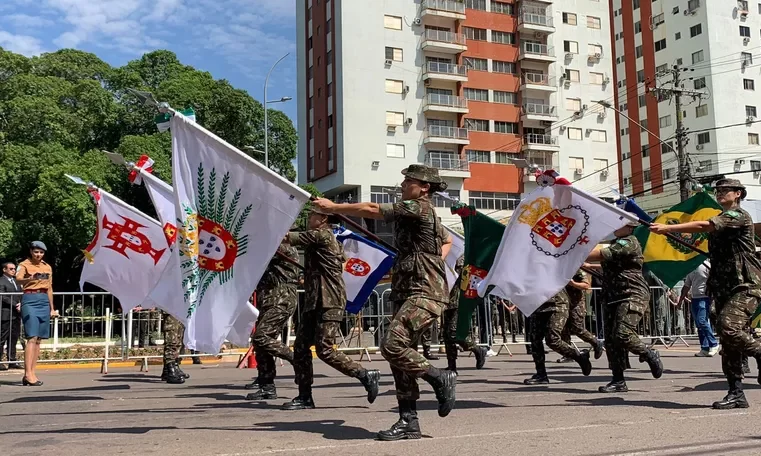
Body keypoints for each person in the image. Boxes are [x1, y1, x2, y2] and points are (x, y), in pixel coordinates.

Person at [312, 164, 457, 441]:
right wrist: (425, 256)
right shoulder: (418, 214)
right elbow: (446, 240)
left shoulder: (419, 207)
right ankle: (409, 421)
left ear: (424, 187)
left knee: (392, 345)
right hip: (407, 289)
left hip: (425, 291)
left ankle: (439, 376)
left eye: (408, 181)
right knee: (400, 359)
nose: (403, 185)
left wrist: (332, 208)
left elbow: (372, 209)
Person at [650, 179, 761, 409]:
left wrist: (669, 227)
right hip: (722, 286)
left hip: (745, 285)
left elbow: (704, 226)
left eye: (725, 190)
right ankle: (736, 393)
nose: (719, 194)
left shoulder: (738, 216)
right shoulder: (722, 221)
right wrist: (673, 236)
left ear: (738, 194)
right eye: (717, 191)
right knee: (728, 342)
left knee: (727, 327)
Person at [281, 207, 380, 411]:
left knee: (325, 349)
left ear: (323, 218)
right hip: (315, 300)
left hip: (329, 300)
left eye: (313, 215)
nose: (309, 219)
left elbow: (286, 238)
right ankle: (304, 396)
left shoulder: (323, 235)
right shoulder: (321, 237)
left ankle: (364, 374)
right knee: (300, 348)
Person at [585, 224, 663, 393]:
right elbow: (604, 262)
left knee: (623, 334)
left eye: (620, 225)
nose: (616, 227)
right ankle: (618, 380)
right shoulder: (615, 242)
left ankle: (649, 354)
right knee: (612, 341)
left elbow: (600, 254)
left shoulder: (628, 242)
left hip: (631, 294)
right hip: (613, 297)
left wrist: (573, 255)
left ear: (630, 228)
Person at [245, 241, 301, 400]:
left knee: (261, 337)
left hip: (281, 300)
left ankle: (295, 359)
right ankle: (266, 385)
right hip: (270, 300)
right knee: (260, 344)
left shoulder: (285, 248)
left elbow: (260, 248)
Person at [524, 288, 592, 385]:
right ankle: (541, 374)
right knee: (535, 339)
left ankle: (579, 356)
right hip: (538, 304)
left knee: (552, 339)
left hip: (556, 304)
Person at [15, 241, 58, 386]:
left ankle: (32, 372)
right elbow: (18, 280)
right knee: (31, 337)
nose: (38, 254)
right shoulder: (24, 264)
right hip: (30, 298)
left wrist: (52, 308)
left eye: (41, 252)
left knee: (39, 339)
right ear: (31, 252)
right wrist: (30, 278)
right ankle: (28, 374)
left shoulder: (47, 266)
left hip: (43, 300)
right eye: (36, 252)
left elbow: (50, 288)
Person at [441, 255, 487, 374]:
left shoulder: (461, 256)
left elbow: (462, 276)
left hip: (458, 300)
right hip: (445, 298)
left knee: (453, 332)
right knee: (446, 334)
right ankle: (452, 366)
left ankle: (476, 349)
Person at [558, 269, 604, 363]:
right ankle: (568, 354)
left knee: (577, 328)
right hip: (563, 304)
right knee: (563, 329)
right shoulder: (559, 269)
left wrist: (572, 283)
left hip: (576, 304)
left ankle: (596, 343)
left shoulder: (575, 269)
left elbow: (586, 285)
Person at [679, 261, 718, 357]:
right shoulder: (691, 267)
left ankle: (714, 344)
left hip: (704, 297)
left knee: (702, 321)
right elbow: (687, 285)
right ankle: (704, 348)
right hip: (694, 298)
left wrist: (713, 297)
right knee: (699, 324)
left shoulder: (707, 266)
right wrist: (680, 300)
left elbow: (715, 281)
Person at [0, 262, 22, 369]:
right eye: (11, 269)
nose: (13, 270)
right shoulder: (1, 281)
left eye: (14, 269)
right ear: (4, 270)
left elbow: (20, 294)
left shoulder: (16, 282)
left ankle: (12, 360)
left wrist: (21, 304)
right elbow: (2, 296)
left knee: (14, 338)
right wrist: (15, 304)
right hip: (6, 313)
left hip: (16, 314)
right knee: (2, 337)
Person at [160, 312, 187, 384]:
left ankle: (170, 368)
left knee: (178, 340)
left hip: (177, 309)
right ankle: (171, 371)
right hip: (170, 309)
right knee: (171, 341)